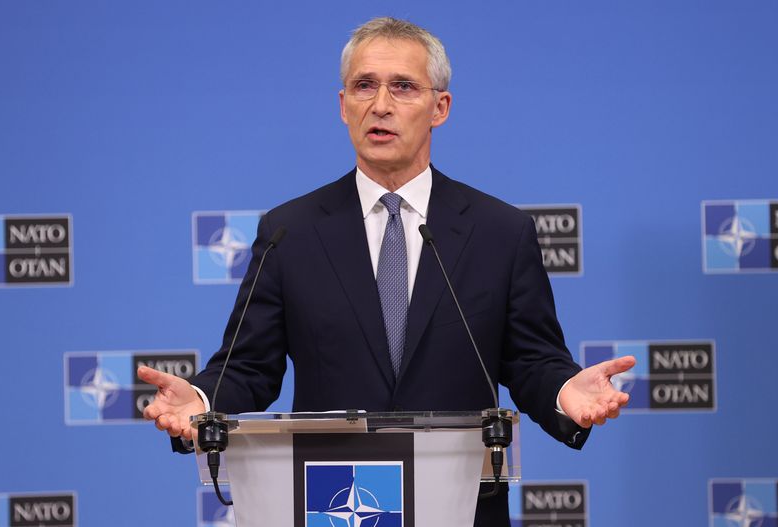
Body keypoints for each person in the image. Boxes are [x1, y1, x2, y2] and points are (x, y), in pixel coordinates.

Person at [138, 17, 635, 526]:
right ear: (342, 105)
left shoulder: (499, 232)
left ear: (440, 107)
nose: (381, 105)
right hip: (333, 503)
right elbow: (248, 366)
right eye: (364, 86)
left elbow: (532, 360)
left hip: (461, 505)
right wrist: (199, 398)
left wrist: (564, 391)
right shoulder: (290, 231)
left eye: (403, 87)